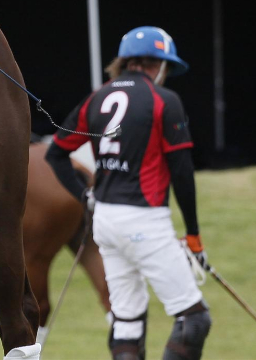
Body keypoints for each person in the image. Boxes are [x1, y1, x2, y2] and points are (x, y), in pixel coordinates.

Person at [46, 27, 212, 360]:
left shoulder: (97, 97)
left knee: (127, 322)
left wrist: (85, 196)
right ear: (161, 65)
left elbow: (56, 154)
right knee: (194, 320)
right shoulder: (165, 101)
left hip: (105, 221)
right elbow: (181, 172)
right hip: (145, 220)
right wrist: (193, 235)